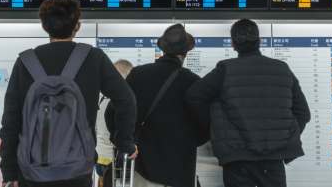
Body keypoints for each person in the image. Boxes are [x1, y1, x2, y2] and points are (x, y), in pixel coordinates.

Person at [0, 0, 137, 187]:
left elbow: (10, 120)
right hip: (77, 170)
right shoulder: (93, 58)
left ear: (44, 25)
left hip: (31, 171)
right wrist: (124, 143)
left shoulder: (25, 62)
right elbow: (126, 100)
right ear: (77, 26)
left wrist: (9, 170)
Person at [186, 19, 311, 187]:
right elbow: (303, 113)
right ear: (259, 41)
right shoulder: (282, 68)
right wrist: (286, 137)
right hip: (273, 160)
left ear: (233, 43)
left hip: (237, 159)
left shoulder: (225, 70)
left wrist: (212, 128)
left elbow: (194, 95)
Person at [108, 24, 209, 187]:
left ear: (163, 49)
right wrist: (188, 141)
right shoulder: (194, 82)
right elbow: (206, 125)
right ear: (186, 53)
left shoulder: (138, 75)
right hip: (180, 169)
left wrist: (126, 142)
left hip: (143, 166)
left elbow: (112, 113)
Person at [95, 60, 133, 186]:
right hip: (115, 159)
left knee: (102, 182)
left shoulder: (102, 96)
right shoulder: (121, 101)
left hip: (100, 156)